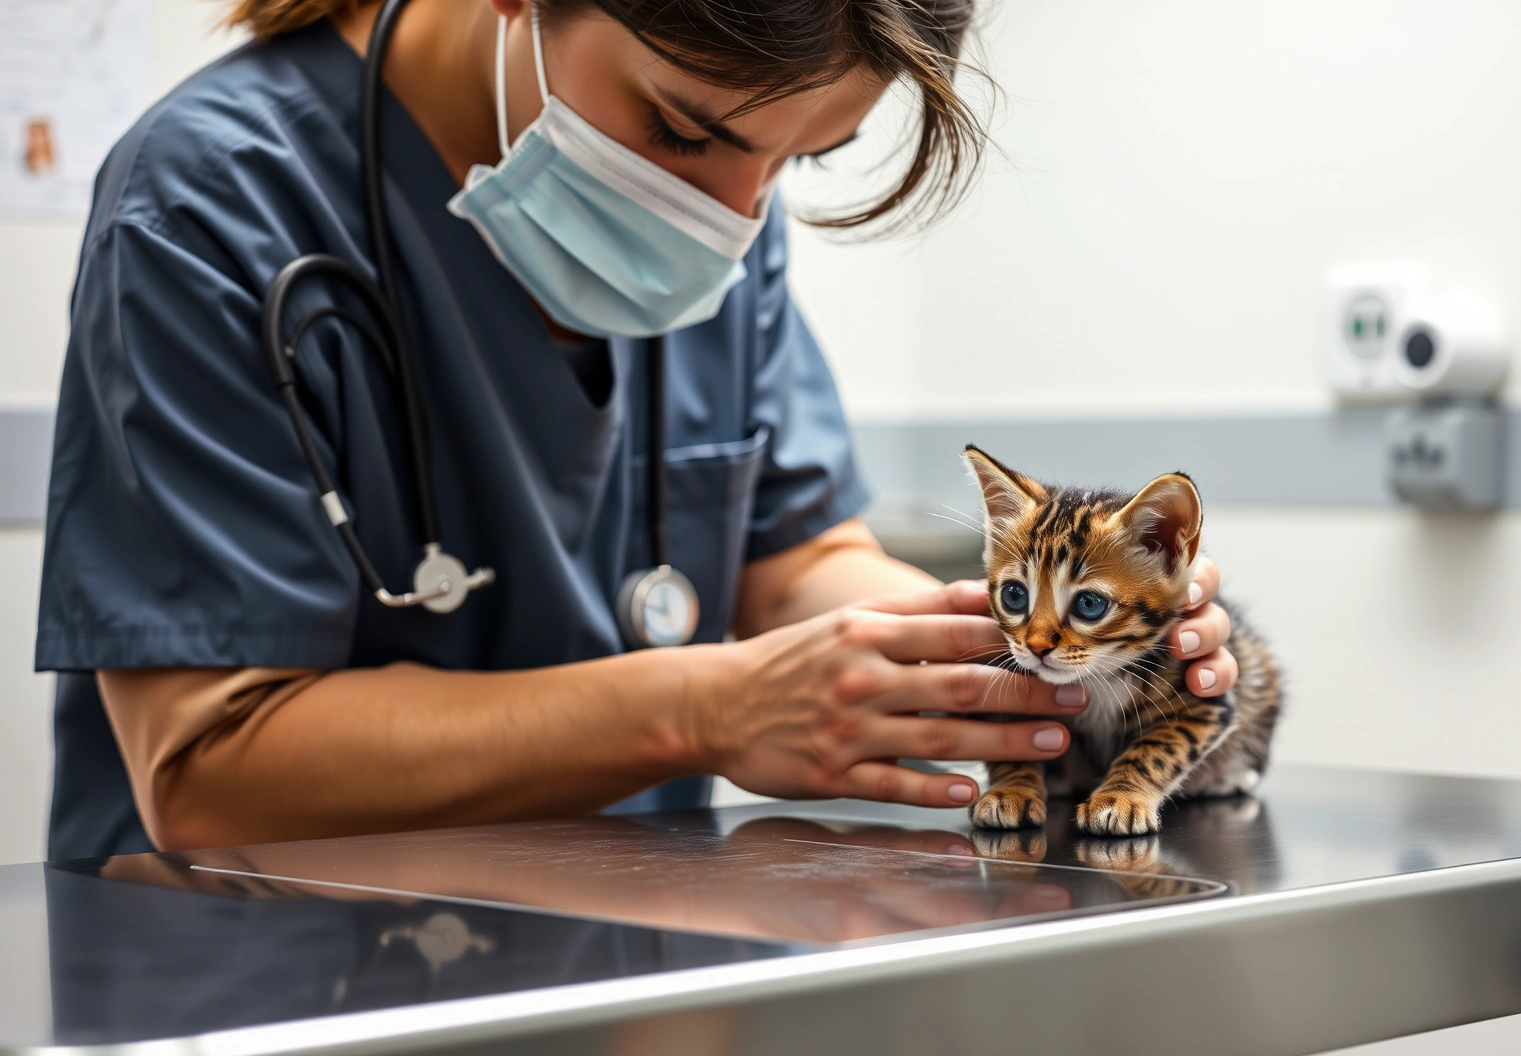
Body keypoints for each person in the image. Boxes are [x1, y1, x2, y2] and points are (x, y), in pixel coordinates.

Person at [34, 0, 1240, 862]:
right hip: (256, 978)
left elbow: (796, 565)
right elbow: (208, 770)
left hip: (621, 956)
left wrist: (1023, 657)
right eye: (683, 130)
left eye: (803, 157)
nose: (735, 220)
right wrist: (703, 712)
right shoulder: (206, 201)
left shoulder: (726, 210)